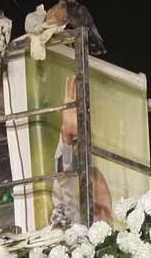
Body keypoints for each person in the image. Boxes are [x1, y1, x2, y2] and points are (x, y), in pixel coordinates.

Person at [52, 75, 113, 224]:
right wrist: (66, 135)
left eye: (106, 212)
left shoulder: (115, 239)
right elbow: (65, 184)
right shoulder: (74, 222)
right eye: (96, 209)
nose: (102, 217)